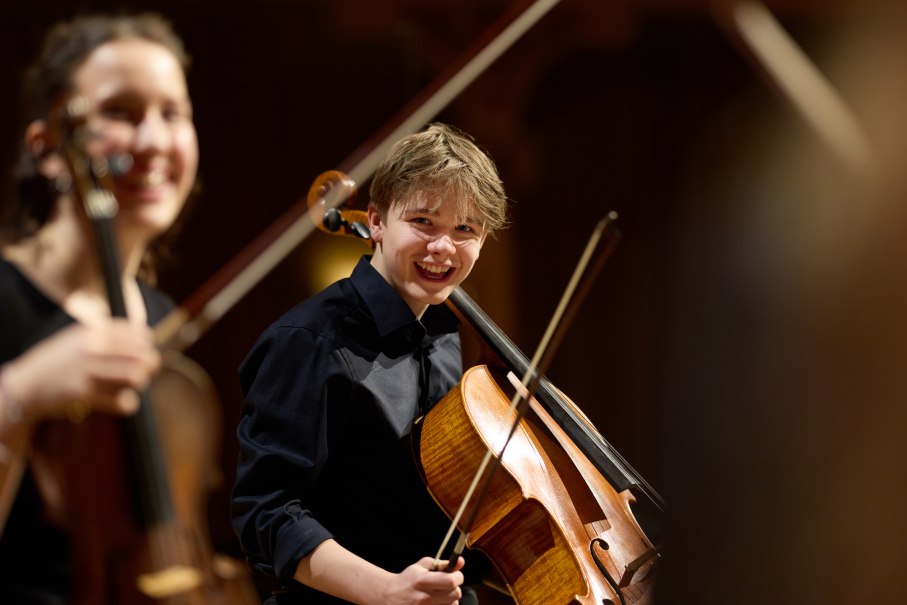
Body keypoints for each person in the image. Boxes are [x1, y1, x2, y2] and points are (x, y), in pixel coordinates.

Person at [231, 122, 509, 605]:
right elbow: (267, 511)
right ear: (377, 222)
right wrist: (387, 591)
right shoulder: (309, 341)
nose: (443, 248)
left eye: (465, 229)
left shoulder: (443, 335)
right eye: (423, 221)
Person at [0, 12, 198, 602]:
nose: (154, 140)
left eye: (173, 113)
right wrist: (21, 392)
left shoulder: (163, 319)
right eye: (120, 112)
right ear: (48, 149)